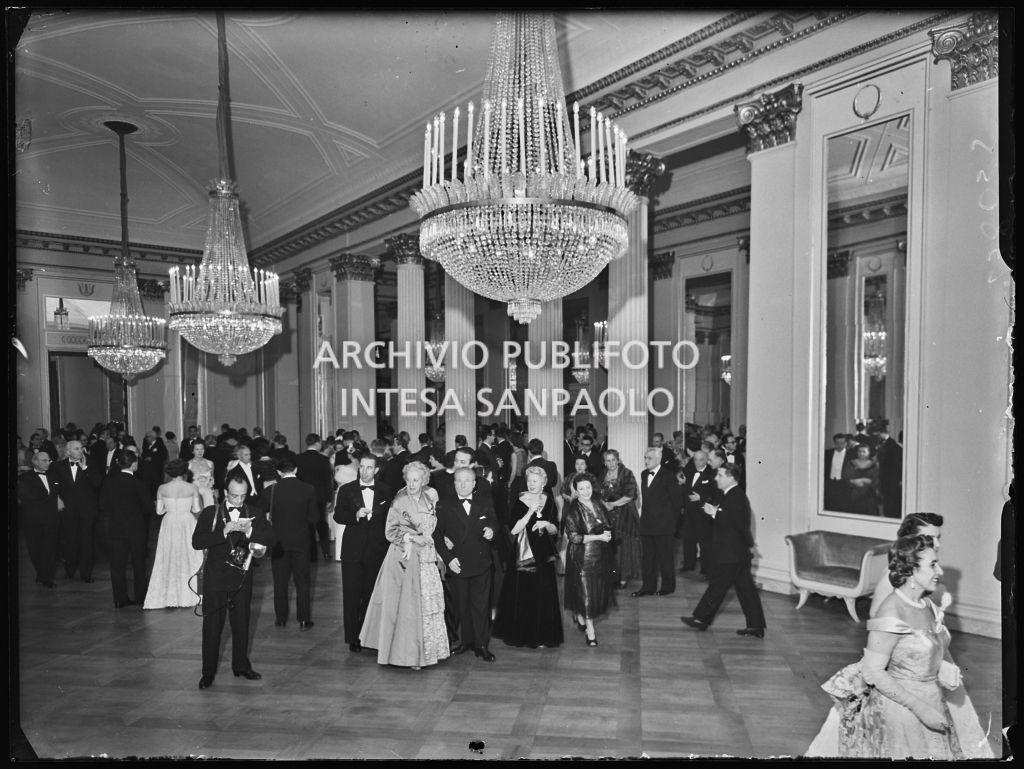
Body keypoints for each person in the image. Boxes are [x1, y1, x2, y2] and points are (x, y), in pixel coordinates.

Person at [805, 535, 993, 758]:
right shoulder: (891, 612)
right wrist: (920, 708)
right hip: (902, 711)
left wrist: (941, 667)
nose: (939, 571)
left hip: (933, 700)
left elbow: (921, 649)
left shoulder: (928, 605)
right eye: (932, 565)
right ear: (911, 570)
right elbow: (872, 670)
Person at [359, 461, 449, 670]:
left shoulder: (430, 499)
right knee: (408, 608)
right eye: (409, 480)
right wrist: (412, 538)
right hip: (403, 559)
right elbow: (390, 532)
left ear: (424, 480)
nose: (412, 484)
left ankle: (429, 652)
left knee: (426, 606)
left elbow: (434, 527)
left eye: (416, 480)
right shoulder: (399, 501)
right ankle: (409, 655)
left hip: (426, 558)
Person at [192, 476, 275, 690]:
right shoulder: (211, 513)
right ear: (225, 492)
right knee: (212, 627)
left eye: (242, 496)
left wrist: (251, 532)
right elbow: (197, 541)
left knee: (241, 624)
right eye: (234, 495)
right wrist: (222, 532)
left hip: (242, 577)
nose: (238, 500)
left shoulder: (254, 513)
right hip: (215, 578)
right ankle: (207, 673)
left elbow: (272, 540)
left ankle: (241, 666)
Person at [680, 463, 766, 637]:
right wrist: (715, 511)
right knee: (746, 590)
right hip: (737, 553)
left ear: (731, 477)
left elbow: (737, 524)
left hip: (731, 553)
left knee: (718, 586)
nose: (716, 478)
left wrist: (715, 513)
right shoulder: (732, 495)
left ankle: (701, 619)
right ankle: (756, 626)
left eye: (720, 475)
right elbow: (731, 518)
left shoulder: (736, 496)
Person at [491, 465, 563, 649]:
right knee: (525, 593)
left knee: (544, 594)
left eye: (535, 481)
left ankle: (542, 636)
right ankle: (525, 635)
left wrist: (546, 523)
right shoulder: (520, 499)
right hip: (524, 553)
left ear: (544, 483)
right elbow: (514, 529)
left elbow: (555, 530)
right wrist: (530, 511)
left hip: (543, 552)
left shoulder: (549, 500)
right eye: (529, 480)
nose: (532, 484)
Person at [433, 467, 499, 661]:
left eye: (466, 481)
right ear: (454, 484)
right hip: (457, 563)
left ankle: (481, 645)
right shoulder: (444, 504)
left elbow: (495, 523)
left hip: (481, 562)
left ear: (474, 483)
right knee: (462, 606)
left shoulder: (484, 502)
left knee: (480, 606)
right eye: (458, 481)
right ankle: (465, 642)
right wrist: (448, 558)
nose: (462, 484)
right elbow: (437, 535)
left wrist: (491, 531)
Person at [334, 454, 393, 652]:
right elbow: (338, 515)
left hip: (377, 550)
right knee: (351, 596)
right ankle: (352, 637)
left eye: (370, 468)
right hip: (352, 551)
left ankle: (370, 636)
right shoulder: (346, 490)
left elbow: (390, 520)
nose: (365, 471)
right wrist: (354, 515)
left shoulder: (386, 491)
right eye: (363, 467)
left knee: (371, 595)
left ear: (377, 470)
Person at [261, 456, 319, 630]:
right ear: (296, 470)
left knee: (280, 583)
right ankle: (303, 619)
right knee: (302, 582)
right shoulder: (308, 489)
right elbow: (314, 518)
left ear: (278, 472)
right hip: (301, 542)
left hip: (278, 543)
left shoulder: (270, 491)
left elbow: (260, 514)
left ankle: (281, 618)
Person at [563, 472, 616, 647]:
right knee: (586, 592)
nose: (585, 491)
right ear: (576, 491)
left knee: (594, 591)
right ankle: (590, 631)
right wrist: (599, 537)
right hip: (581, 557)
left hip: (600, 556)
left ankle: (580, 616)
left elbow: (607, 523)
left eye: (588, 487)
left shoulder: (597, 503)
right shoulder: (574, 509)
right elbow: (574, 537)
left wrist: (607, 533)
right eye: (581, 489)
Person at [144, 459, 204, 609]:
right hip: (187, 522)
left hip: (169, 523)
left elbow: (159, 511)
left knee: (168, 556)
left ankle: (168, 595)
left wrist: (169, 510)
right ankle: (190, 595)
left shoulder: (162, 488)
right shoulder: (192, 487)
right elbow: (197, 509)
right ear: (184, 472)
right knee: (189, 556)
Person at [100, 452, 154, 608]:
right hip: (136, 528)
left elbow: (103, 504)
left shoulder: (109, 482)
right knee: (138, 564)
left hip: (115, 527)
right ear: (134, 464)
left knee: (117, 565)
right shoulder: (139, 483)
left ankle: (119, 598)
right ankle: (140, 597)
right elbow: (147, 507)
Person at [634, 446, 682, 597]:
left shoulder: (669, 476)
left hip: (664, 525)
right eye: (645, 458)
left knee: (665, 558)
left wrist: (670, 522)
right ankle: (648, 586)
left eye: (649, 458)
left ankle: (667, 587)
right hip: (647, 524)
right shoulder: (643, 474)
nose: (646, 461)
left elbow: (677, 502)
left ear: (658, 459)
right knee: (648, 558)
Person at [52, 439, 102, 583]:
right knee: (69, 540)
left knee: (86, 541)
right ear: (67, 452)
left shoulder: (91, 464)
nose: (81, 451)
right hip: (67, 509)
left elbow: (98, 483)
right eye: (76, 449)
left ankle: (86, 574)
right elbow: (54, 485)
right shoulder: (57, 466)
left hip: (87, 510)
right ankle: (70, 570)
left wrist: (85, 468)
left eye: (81, 448)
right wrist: (57, 498)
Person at [596, 449, 642, 589]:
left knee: (623, 545)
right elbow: (597, 492)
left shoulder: (627, 473)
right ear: (604, 462)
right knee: (610, 545)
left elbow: (630, 495)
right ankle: (612, 575)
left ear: (618, 460)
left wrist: (613, 504)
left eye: (613, 460)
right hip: (608, 515)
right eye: (607, 460)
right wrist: (604, 504)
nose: (611, 463)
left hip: (624, 513)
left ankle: (623, 577)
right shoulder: (603, 474)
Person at [18, 450, 63, 588]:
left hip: (51, 519)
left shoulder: (54, 475)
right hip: (33, 520)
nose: (47, 463)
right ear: (35, 461)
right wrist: (51, 499)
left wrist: (58, 499)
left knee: (50, 549)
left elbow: (58, 492)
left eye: (49, 460)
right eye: (44, 460)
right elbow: (26, 497)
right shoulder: (26, 478)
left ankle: (46, 577)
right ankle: (41, 574)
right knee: (35, 549)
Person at [293, 434, 334, 562]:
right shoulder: (323, 459)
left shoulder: (298, 458)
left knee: (308, 526)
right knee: (322, 525)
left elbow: (296, 479)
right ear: (317, 443)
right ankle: (326, 552)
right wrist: (329, 499)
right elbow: (328, 481)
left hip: (303, 497)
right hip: (320, 497)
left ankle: (312, 555)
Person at [679, 449, 715, 576]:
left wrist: (702, 498)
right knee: (688, 539)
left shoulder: (712, 474)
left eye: (701, 459)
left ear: (706, 460)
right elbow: (686, 490)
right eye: (695, 459)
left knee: (705, 541)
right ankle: (689, 564)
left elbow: (716, 494)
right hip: (689, 512)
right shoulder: (689, 472)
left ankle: (706, 568)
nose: (698, 462)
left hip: (703, 513)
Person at [843, 444, 881, 516]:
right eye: (859, 451)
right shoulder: (851, 463)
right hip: (853, 495)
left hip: (869, 496)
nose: (861, 453)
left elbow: (876, 480)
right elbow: (845, 477)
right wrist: (854, 481)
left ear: (868, 453)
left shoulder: (873, 465)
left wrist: (865, 480)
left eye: (864, 451)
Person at [824, 433, 851, 512]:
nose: (839, 446)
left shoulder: (851, 454)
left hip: (844, 483)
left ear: (846, 443)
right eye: (837, 443)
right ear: (834, 443)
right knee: (830, 506)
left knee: (843, 507)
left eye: (842, 443)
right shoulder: (827, 453)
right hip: (830, 482)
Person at [188, 440, 218, 508]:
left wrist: (215, 489)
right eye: (197, 449)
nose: (200, 451)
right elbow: (187, 482)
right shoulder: (188, 464)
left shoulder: (210, 463)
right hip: (194, 494)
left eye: (202, 449)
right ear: (193, 451)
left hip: (209, 493)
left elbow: (213, 479)